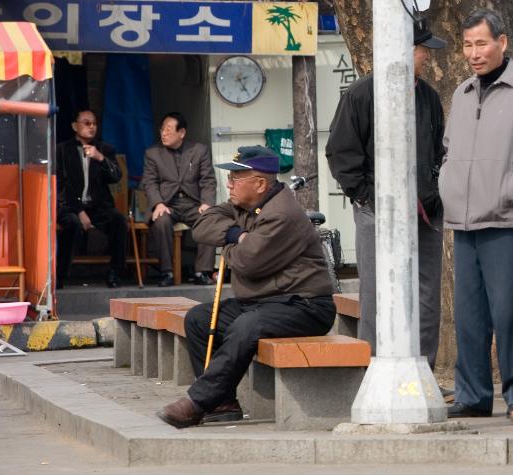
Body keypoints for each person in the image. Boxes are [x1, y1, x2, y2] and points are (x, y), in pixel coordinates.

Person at [156, 147, 337, 428]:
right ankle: (222, 402)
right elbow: (201, 226)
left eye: (235, 177)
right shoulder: (246, 205)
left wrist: (228, 246)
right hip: (265, 302)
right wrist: (236, 235)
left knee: (246, 326)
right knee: (199, 319)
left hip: (303, 305)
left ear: (260, 183)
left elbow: (248, 262)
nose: (228, 184)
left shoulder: (282, 213)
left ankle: (199, 401)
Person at [439, 9, 513, 418]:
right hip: (464, 220)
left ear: (502, 43)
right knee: (468, 318)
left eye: (482, 43)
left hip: (506, 219)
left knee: (509, 315)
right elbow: (450, 150)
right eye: (468, 44)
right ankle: (472, 396)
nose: (474, 53)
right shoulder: (462, 92)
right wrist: (448, 185)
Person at [326, 19, 447, 363]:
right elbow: (341, 153)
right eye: (424, 50)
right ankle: (373, 367)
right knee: (376, 293)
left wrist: (434, 193)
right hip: (375, 209)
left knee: (426, 294)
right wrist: (366, 196)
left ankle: (424, 365)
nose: (427, 57)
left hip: (425, 211)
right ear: (406, 51)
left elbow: (439, 152)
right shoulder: (362, 94)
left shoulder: (429, 97)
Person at [141, 112, 217, 286]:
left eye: (168, 129)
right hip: (168, 203)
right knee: (161, 221)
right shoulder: (153, 153)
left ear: (181, 133)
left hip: (193, 204)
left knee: (210, 220)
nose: (163, 133)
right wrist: (158, 203)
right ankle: (166, 272)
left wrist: (206, 203)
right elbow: (149, 182)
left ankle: (202, 271)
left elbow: (208, 180)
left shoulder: (199, 150)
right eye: (162, 129)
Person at [57, 109, 126, 289]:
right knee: (71, 223)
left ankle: (114, 273)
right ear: (74, 126)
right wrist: (79, 211)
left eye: (94, 123)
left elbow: (116, 176)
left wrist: (100, 158)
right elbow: (62, 185)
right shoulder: (62, 150)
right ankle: (60, 275)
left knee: (118, 221)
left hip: (98, 206)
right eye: (86, 123)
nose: (91, 127)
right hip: (71, 206)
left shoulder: (105, 149)